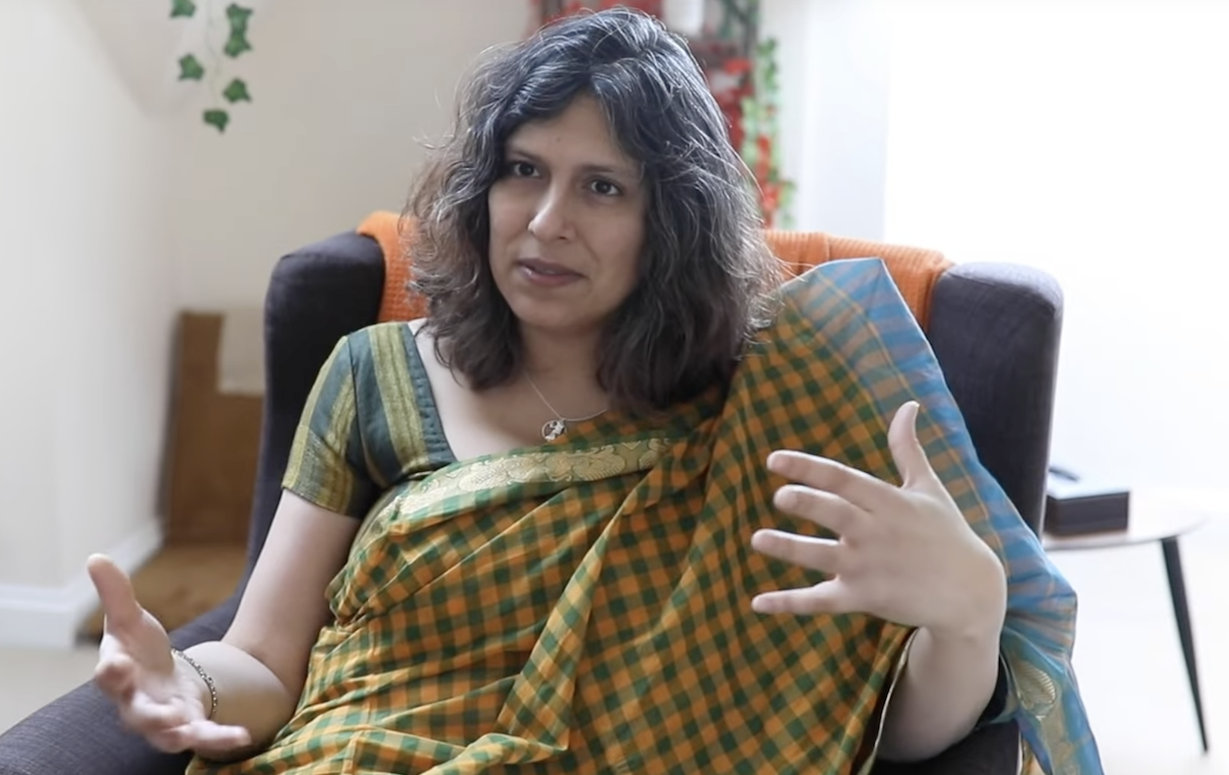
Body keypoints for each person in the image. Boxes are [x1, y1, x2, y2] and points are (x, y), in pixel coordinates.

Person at [87, 7, 1101, 774]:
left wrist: (968, 613)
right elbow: (266, 660)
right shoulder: (370, 371)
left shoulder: (779, 405)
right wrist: (191, 679)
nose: (545, 221)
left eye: (603, 187)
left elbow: (894, 730)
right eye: (522, 170)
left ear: (676, 221)